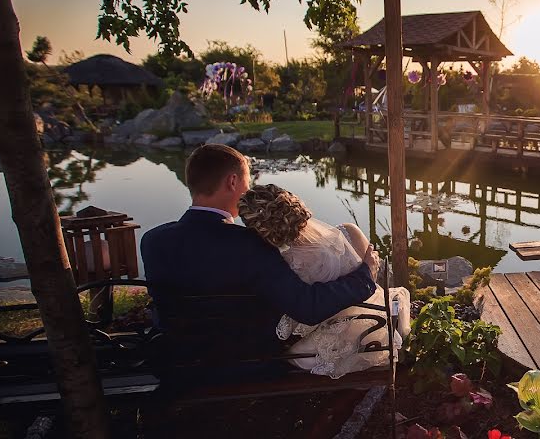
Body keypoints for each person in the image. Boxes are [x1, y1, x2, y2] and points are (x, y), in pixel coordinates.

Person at [140, 144, 379, 364]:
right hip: (244, 361)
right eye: (248, 179)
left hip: (176, 357)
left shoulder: (152, 240)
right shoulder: (251, 244)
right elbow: (307, 306)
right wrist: (364, 276)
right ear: (232, 182)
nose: (249, 186)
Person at [238, 184, 411, 379]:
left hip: (326, 349)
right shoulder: (349, 231)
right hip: (377, 331)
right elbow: (377, 281)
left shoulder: (283, 264)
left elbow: (299, 315)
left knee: (286, 354)